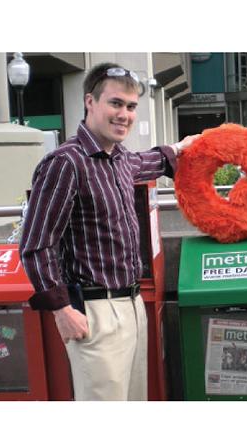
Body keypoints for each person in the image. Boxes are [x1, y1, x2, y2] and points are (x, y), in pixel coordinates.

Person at [19, 63, 199, 400]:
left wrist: (182, 148)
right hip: (94, 312)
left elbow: (152, 160)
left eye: (131, 107)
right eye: (115, 103)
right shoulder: (65, 162)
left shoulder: (119, 158)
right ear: (90, 101)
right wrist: (62, 310)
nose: (125, 115)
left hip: (131, 307)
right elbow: (36, 243)